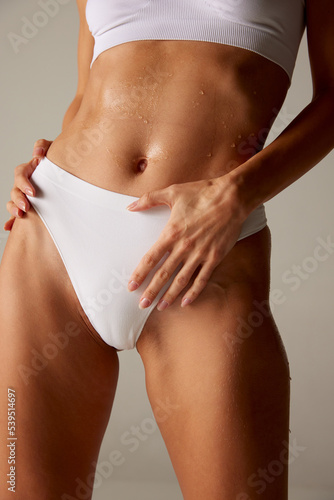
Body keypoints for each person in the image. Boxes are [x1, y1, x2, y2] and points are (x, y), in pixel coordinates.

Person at [1, 0, 334, 498]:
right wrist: (43, 157)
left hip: (206, 251)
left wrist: (236, 193)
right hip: (54, 230)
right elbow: (86, 90)